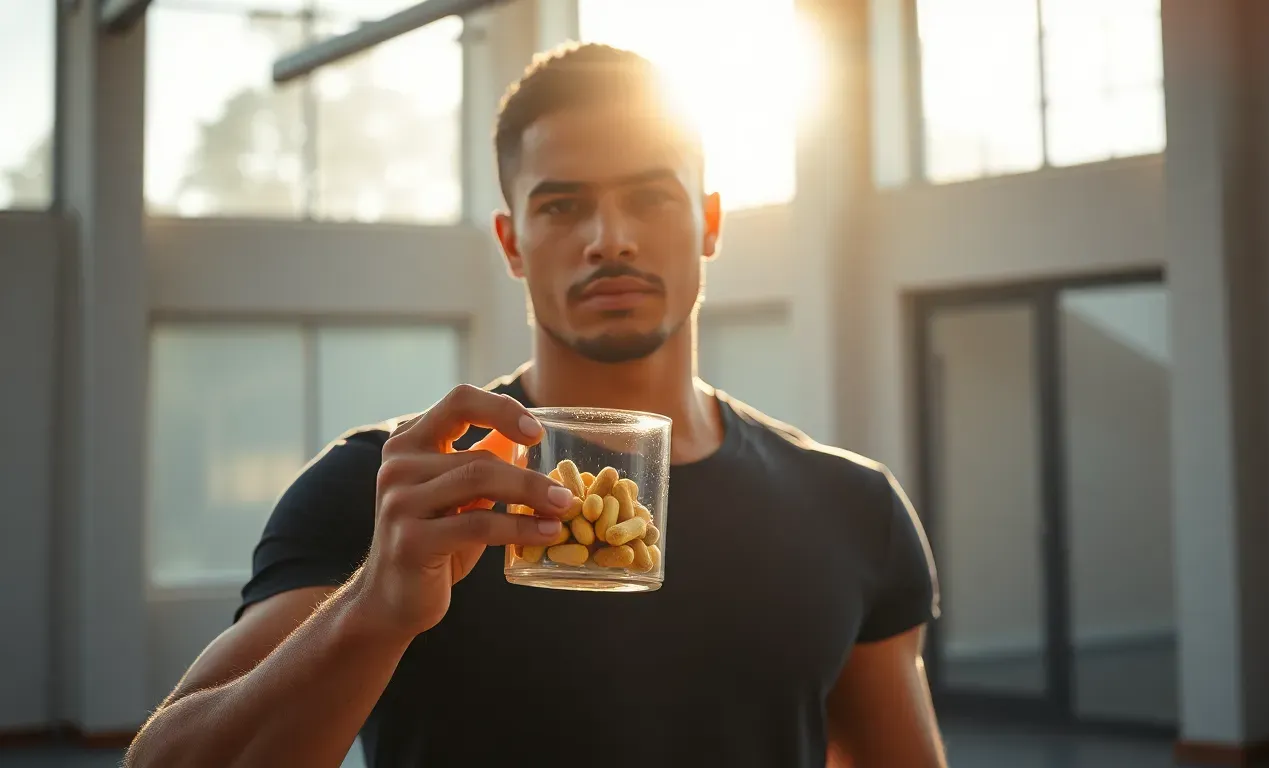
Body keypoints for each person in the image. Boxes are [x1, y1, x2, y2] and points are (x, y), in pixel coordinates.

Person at [126, 42, 945, 768]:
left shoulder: (851, 507)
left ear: (709, 222)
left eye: (651, 197)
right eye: (561, 206)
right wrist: (373, 607)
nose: (609, 238)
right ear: (512, 242)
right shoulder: (391, 492)